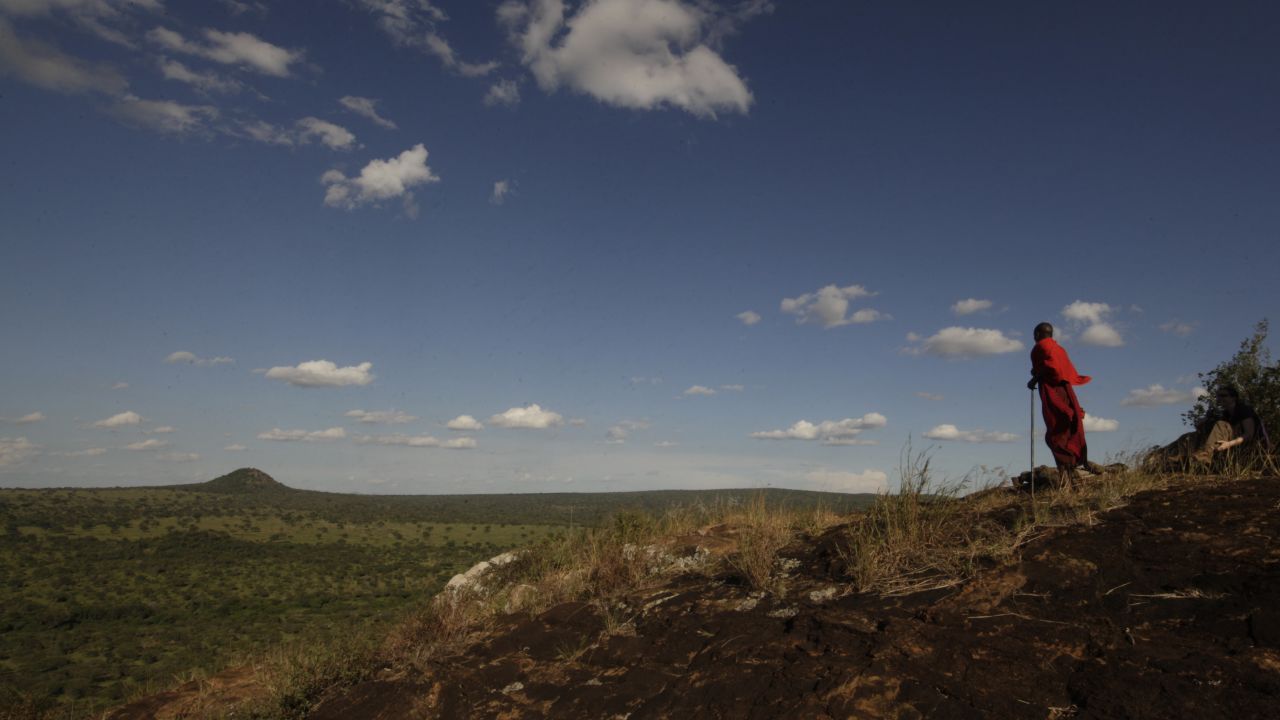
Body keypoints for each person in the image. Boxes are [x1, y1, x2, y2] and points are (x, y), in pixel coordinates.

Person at [1027, 322, 1094, 486]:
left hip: (1053, 390)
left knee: (1056, 431)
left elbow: (1053, 368)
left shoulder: (1040, 347)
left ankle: (1068, 477)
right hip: (1065, 390)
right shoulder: (1059, 348)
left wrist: (1035, 378)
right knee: (1066, 426)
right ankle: (1071, 475)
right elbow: (1057, 367)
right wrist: (1037, 373)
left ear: (1036, 334)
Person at [1149, 385, 1269, 470]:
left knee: (1221, 425)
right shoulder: (1225, 414)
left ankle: (1203, 457)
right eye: (1218, 396)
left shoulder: (1243, 410)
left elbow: (1249, 434)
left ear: (1234, 397)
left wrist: (1229, 444)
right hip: (1231, 444)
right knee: (1189, 436)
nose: (1220, 398)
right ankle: (1164, 454)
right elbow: (1202, 432)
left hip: (1250, 446)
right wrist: (1204, 421)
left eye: (1223, 395)